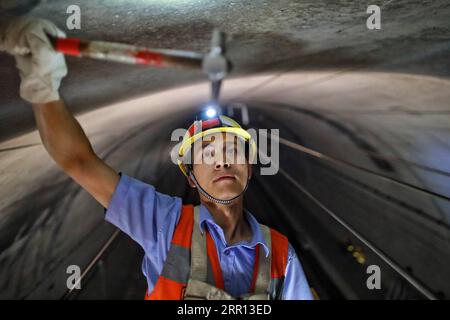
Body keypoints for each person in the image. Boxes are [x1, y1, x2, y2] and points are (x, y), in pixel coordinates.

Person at [1, 17, 314, 300]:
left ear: (248, 166)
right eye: (207, 154)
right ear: (191, 177)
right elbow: (79, 162)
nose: (221, 161)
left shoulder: (280, 254)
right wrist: (43, 84)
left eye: (231, 150)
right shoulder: (165, 223)